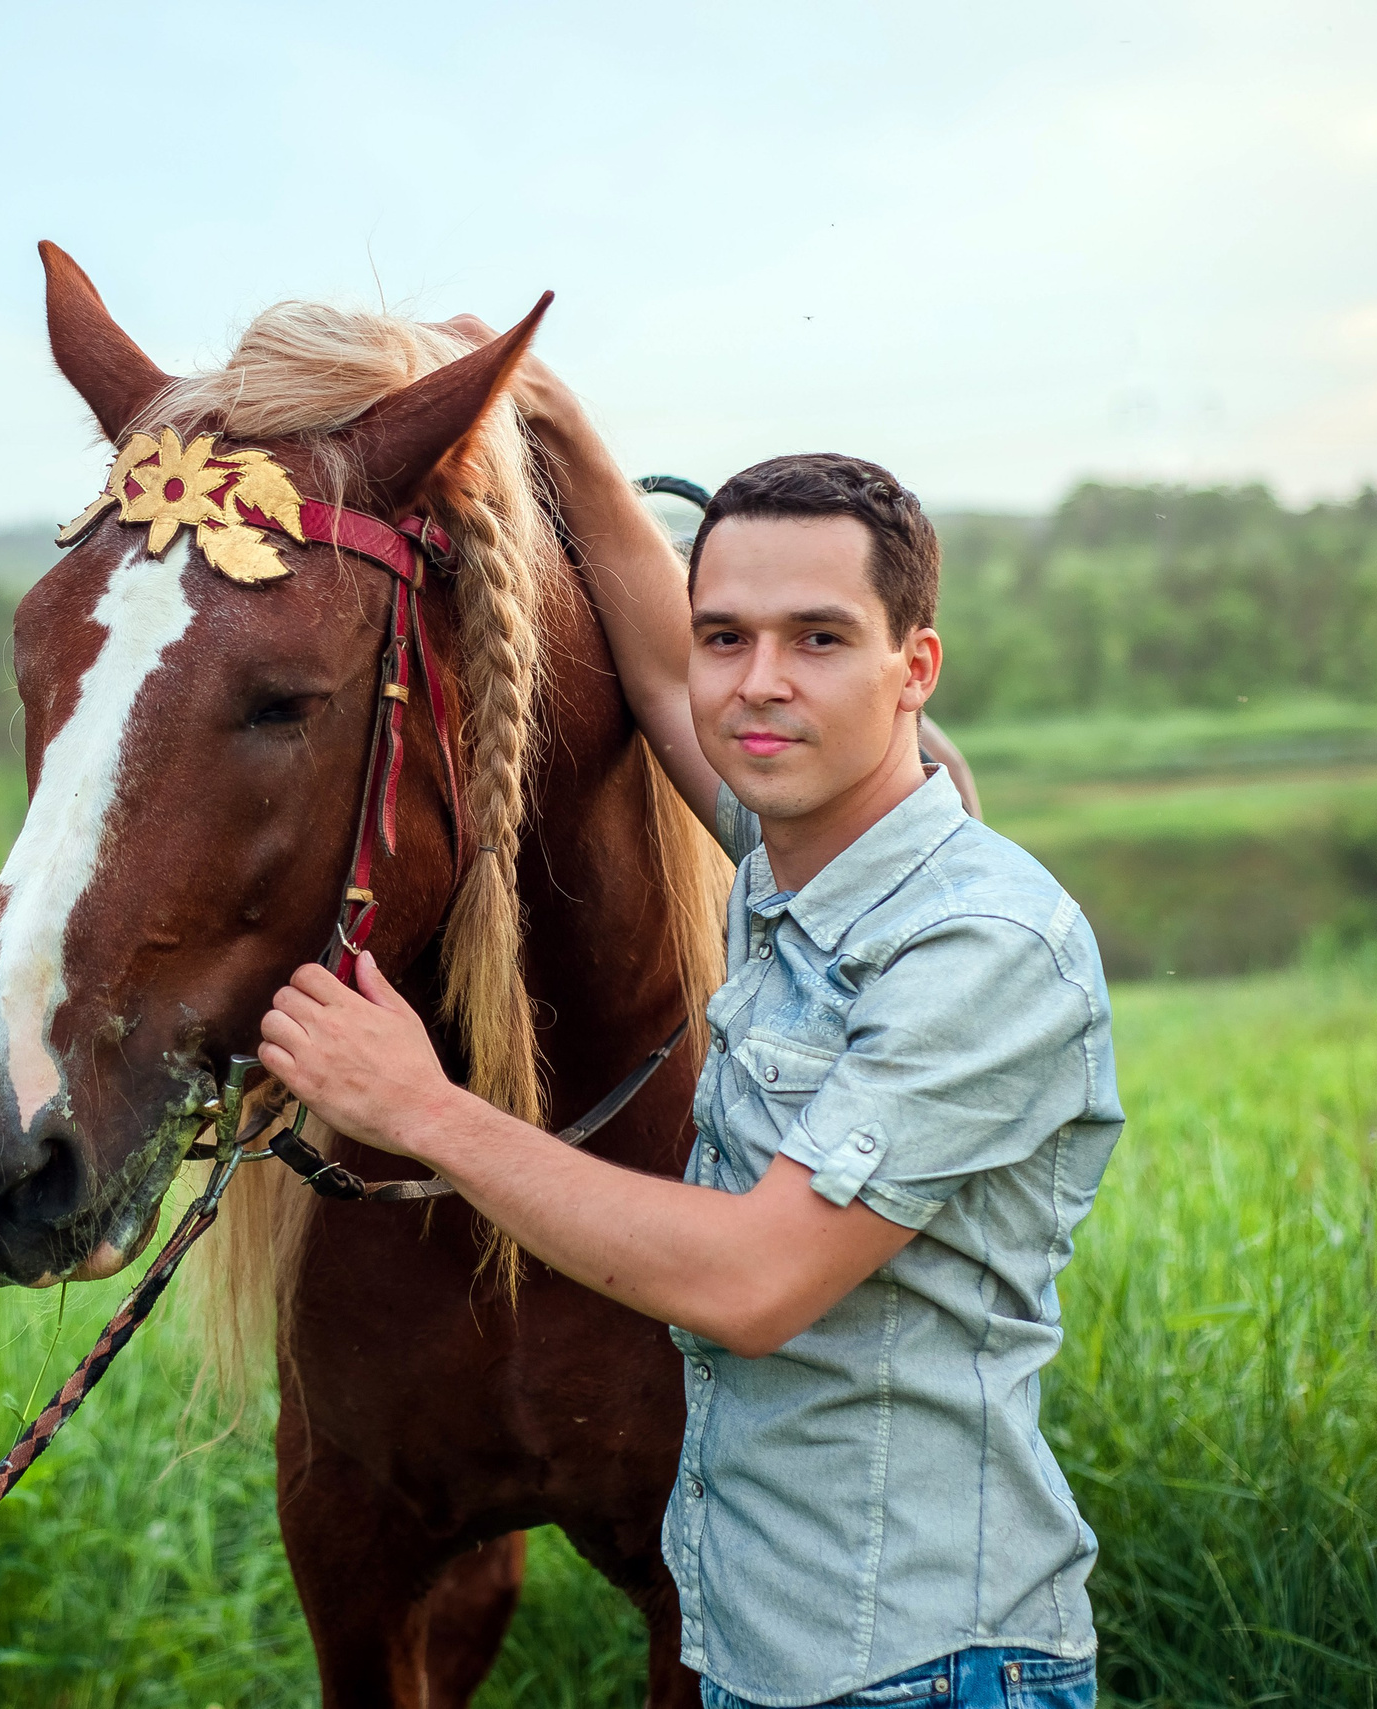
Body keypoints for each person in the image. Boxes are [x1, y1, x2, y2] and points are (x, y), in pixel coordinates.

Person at [256, 344, 1124, 1709]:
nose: (759, 681)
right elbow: (665, 692)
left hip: (931, 1672)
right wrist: (543, 409)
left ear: (918, 667)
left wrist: (422, 1111)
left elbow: (754, 1284)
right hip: (772, 1663)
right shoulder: (791, 860)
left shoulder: (980, 946)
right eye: (730, 634)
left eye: (819, 638)